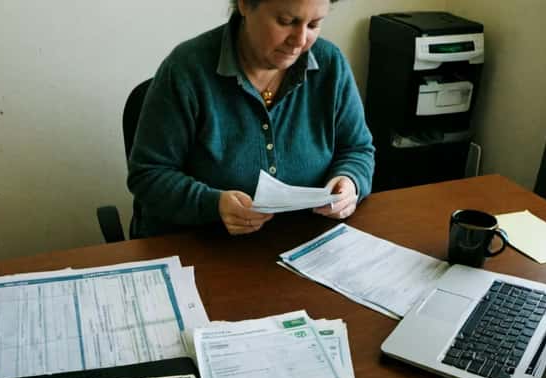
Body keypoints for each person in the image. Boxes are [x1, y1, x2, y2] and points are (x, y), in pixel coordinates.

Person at [128, 0, 374, 237]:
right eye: (286, 21)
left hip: (303, 242)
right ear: (244, 4)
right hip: (202, 245)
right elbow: (148, 175)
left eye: (313, 25)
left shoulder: (331, 63)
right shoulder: (186, 70)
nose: (299, 42)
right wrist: (213, 205)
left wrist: (350, 182)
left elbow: (357, 149)